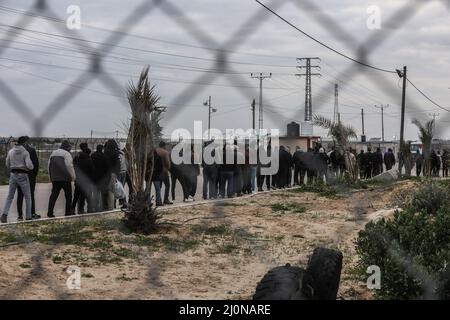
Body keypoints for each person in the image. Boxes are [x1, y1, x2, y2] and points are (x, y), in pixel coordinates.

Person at [1, 136, 35, 223]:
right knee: (28, 196)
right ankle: (28, 216)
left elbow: (7, 163)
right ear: (24, 143)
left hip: (13, 175)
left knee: (10, 196)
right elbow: (30, 166)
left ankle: (4, 215)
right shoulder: (25, 153)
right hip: (23, 175)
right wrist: (28, 167)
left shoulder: (11, 151)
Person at [47, 140, 76, 217]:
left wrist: (50, 177)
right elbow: (69, 166)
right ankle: (68, 212)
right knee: (68, 196)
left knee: (53, 196)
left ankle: (50, 212)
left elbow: (49, 166)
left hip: (55, 179)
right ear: (67, 147)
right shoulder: (66, 154)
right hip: (65, 179)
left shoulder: (53, 153)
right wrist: (73, 177)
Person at [16, 136, 40, 220]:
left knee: (20, 195)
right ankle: (31, 213)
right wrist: (34, 175)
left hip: (18, 175)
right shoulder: (31, 150)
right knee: (30, 195)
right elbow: (35, 164)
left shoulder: (15, 150)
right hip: (30, 175)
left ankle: (20, 215)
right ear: (26, 141)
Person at [72, 143, 94, 214]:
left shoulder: (76, 158)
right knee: (86, 196)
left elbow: (73, 167)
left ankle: (72, 209)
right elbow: (92, 170)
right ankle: (88, 209)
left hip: (78, 180)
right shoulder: (89, 160)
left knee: (76, 196)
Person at [104, 139, 121, 210]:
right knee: (111, 191)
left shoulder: (105, 152)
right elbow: (118, 164)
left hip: (105, 173)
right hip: (113, 173)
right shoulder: (116, 152)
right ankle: (111, 206)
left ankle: (105, 205)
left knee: (106, 190)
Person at [91, 145, 108, 212]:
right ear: (102, 149)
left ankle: (96, 206)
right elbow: (107, 168)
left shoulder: (93, 155)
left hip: (95, 177)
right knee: (104, 193)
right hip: (103, 177)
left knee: (96, 192)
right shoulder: (104, 156)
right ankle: (104, 206)